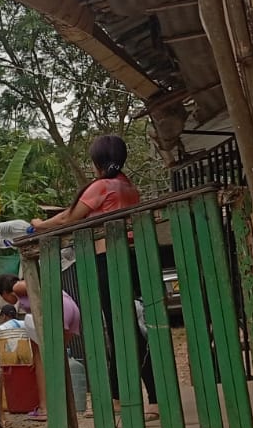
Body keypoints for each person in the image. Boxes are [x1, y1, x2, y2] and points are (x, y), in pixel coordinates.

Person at [30, 134, 159, 413]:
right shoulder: (128, 186)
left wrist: (39, 225)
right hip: (129, 257)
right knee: (128, 327)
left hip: (106, 259)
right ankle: (138, 397)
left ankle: (133, 398)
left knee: (119, 329)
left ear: (97, 161)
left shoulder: (102, 186)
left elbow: (68, 217)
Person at [0, 274, 81, 423]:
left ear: (4, 292)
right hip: (70, 308)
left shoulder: (17, 287)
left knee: (40, 358)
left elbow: (36, 284)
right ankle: (63, 406)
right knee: (57, 359)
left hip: (58, 308)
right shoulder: (25, 299)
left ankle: (45, 408)